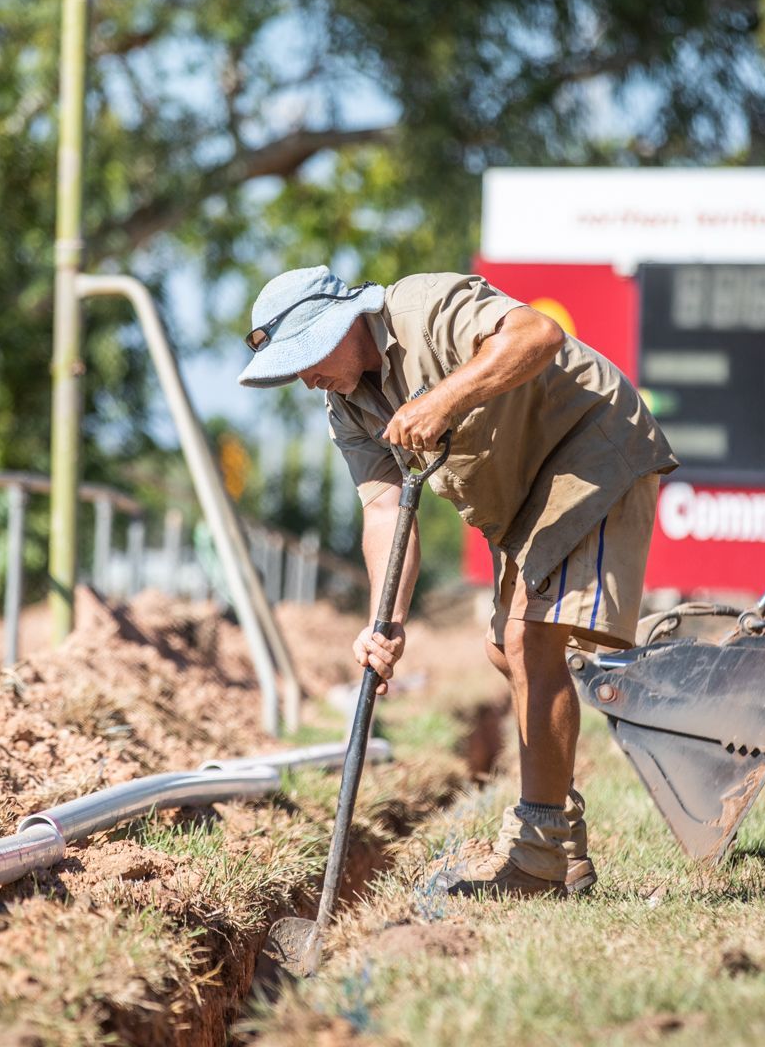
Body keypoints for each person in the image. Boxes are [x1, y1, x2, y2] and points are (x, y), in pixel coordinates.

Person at [238, 266, 677, 897]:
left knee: (531, 640)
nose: (305, 378)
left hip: (591, 446)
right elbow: (385, 511)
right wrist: (383, 624)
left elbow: (537, 336)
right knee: (506, 649)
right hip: (527, 493)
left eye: (306, 358)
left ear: (341, 323)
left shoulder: (422, 306)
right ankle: (561, 845)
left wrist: (441, 399)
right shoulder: (346, 406)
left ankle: (540, 855)